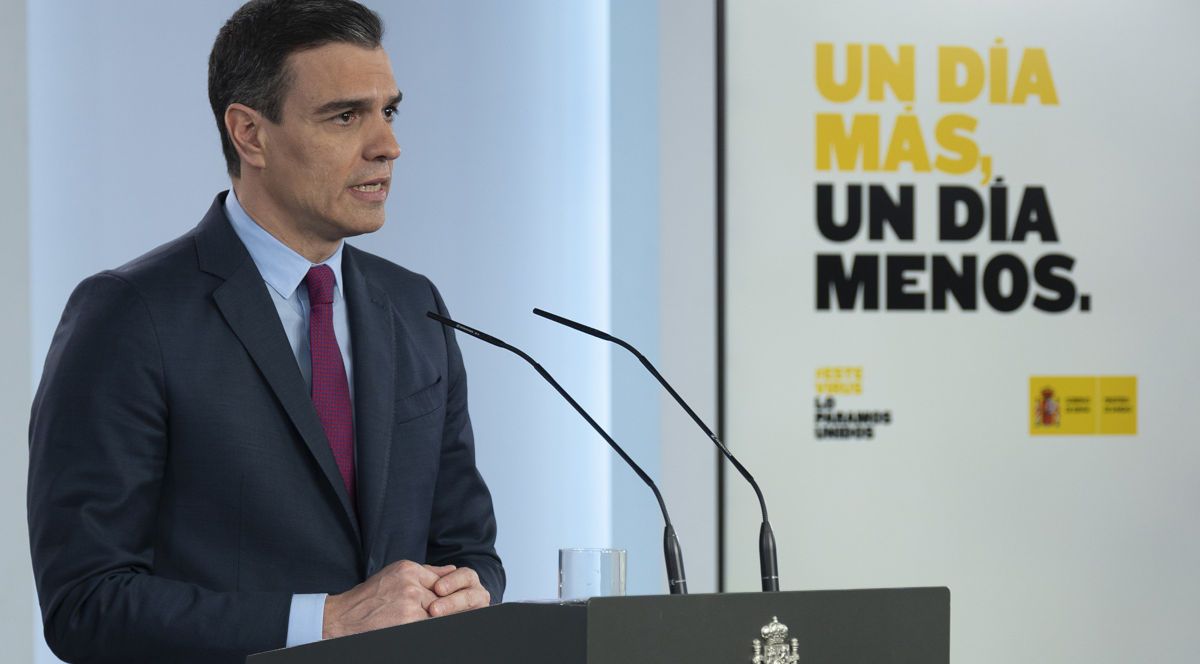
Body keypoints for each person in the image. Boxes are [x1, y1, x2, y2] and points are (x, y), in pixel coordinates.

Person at [26, 1, 503, 662]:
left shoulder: (413, 306)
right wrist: (326, 621)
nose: (387, 145)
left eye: (388, 111)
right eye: (344, 115)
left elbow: (468, 549)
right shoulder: (129, 315)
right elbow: (86, 603)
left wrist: (464, 592)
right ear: (250, 133)